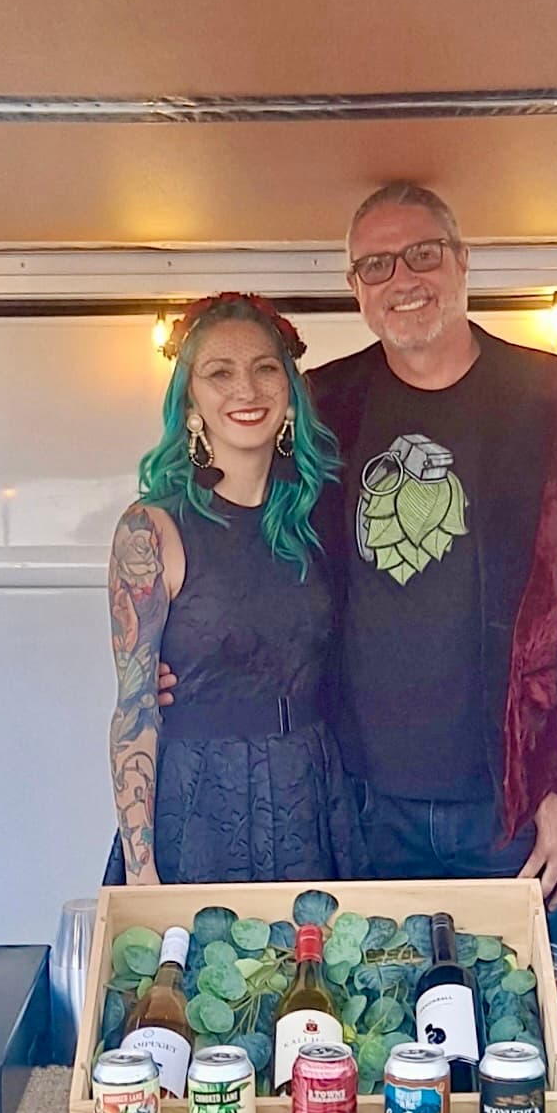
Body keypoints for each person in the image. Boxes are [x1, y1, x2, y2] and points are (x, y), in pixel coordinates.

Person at [310, 183, 557, 1045]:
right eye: (376, 265)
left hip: (518, 808)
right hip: (364, 806)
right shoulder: (322, 406)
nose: (403, 280)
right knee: (380, 1051)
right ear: (356, 287)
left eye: (423, 254)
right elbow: (268, 558)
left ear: (463, 264)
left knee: (533, 1047)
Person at [106, 292, 364, 885]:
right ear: (190, 400)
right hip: (196, 800)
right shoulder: (150, 529)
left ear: (290, 392)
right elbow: (134, 709)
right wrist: (141, 872)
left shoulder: (321, 515)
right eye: (219, 372)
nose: (245, 390)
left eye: (264, 368)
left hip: (312, 790)